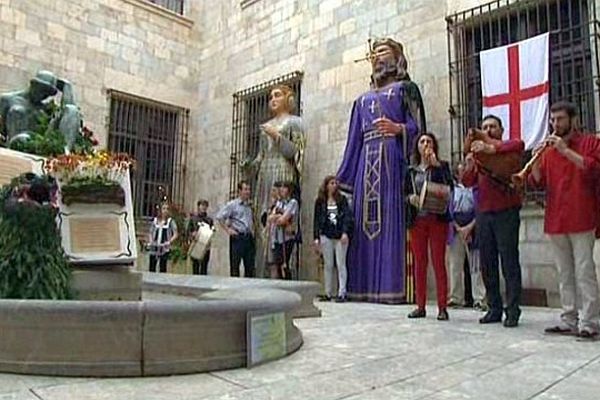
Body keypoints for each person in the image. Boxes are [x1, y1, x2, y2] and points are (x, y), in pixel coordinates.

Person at [336, 37, 425, 304]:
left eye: (383, 51)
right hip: (365, 163)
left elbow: (419, 128)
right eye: (374, 54)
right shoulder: (361, 101)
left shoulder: (405, 89)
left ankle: (390, 289)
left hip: (392, 162)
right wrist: (344, 180)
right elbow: (354, 140)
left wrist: (399, 129)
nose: (377, 57)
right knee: (364, 222)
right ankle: (361, 289)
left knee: (389, 222)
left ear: (397, 57)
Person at [527, 101, 600, 339]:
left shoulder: (589, 142)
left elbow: (593, 168)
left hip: (582, 216)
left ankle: (590, 321)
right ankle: (569, 318)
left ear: (573, 120)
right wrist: (535, 162)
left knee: (584, 270)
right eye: (553, 120)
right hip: (556, 218)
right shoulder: (548, 151)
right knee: (564, 272)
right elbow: (538, 182)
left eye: (560, 119)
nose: (555, 124)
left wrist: (565, 150)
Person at [463, 115, 524, 327]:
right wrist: (469, 164)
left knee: (509, 262)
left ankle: (513, 309)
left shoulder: (507, 148)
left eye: (493, 127)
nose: (488, 130)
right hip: (484, 213)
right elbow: (467, 181)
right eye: (485, 127)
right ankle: (494, 308)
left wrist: (492, 149)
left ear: (501, 129)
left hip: (506, 211)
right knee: (487, 263)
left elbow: (520, 144)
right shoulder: (478, 154)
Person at [241, 85, 305, 277]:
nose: (273, 99)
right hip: (265, 175)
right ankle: (263, 271)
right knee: (264, 220)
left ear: (289, 98)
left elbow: (295, 152)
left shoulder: (295, 122)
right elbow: (261, 157)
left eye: (277, 95)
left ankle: (284, 268)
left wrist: (275, 135)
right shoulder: (265, 126)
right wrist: (249, 166)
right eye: (271, 96)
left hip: (283, 172)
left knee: (281, 218)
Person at [405, 133, 453, 320]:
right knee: (420, 263)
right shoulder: (410, 171)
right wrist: (410, 198)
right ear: (417, 146)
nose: (426, 144)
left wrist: (437, 166)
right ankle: (421, 306)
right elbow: (403, 193)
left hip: (437, 219)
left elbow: (449, 186)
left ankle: (442, 307)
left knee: (439, 263)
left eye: (429, 141)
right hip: (418, 221)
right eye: (422, 141)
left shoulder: (442, 167)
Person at [0, 70, 81, 152]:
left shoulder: (46, 109)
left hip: (41, 146)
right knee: (22, 137)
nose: (42, 95)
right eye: (41, 90)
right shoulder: (7, 99)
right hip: (17, 144)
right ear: (33, 84)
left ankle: (64, 152)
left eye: (46, 94)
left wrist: (66, 88)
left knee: (72, 109)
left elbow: (69, 115)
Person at [447, 161, 486, 310]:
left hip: (473, 229)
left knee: (476, 266)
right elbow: (449, 210)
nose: (464, 173)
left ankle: (480, 299)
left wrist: (469, 227)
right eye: (461, 171)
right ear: (457, 174)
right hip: (456, 229)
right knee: (455, 264)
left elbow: (480, 208)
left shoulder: (475, 189)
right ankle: (456, 297)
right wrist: (458, 228)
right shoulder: (453, 190)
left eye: (466, 170)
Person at [313, 176, 353, 302]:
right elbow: (317, 220)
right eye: (331, 183)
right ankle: (328, 292)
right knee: (328, 265)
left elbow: (347, 217)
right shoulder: (320, 201)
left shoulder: (342, 200)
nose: (334, 185)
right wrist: (316, 238)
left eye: (335, 183)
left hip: (339, 236)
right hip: (326, 235)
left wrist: (345, 232)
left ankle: (342, 292)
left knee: (341, 264)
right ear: (326, 186)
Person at [215, 181, 255, 278]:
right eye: (245, 189)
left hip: (248, 237)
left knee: (250, 266)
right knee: (235, 265)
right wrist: (228, 229)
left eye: (249, 189)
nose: (247, 192)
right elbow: (220, 217)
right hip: (238, 237)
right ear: (239, 191)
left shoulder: (249, 205)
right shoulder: (232, 205)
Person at [266, 181, 299, 279]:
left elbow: (282, 220)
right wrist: (278, 216)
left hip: (287, 238)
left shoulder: (293, 203)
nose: (281, 189)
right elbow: (270, 218)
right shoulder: (279, 203)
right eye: (281, 187)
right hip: (277, 238)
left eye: (284, 187)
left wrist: (278, 217)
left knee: (284, 264)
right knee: (276, 264)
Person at [148, 203, 178, 273]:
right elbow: (150, 232)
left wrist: (169, 242)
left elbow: (176, 234)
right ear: (160, 210)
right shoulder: (155, 220)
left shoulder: (171, 221)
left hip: (164, 247)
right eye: (164, 208)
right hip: (154, 246)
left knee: (163, 267)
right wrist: (151, 241)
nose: (165, 211)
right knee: (152, 267)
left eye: (167, 209)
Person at [187, 199, 214, 275]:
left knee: (204, 268)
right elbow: (188, 231)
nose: (203, 207)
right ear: (198, 206)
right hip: (196, 245)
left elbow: (212, 231)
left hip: (205, 246)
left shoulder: (209, 220)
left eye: (205, 206)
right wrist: (193, 234)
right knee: (195, 267)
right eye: (202, 205)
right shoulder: (193, 219)